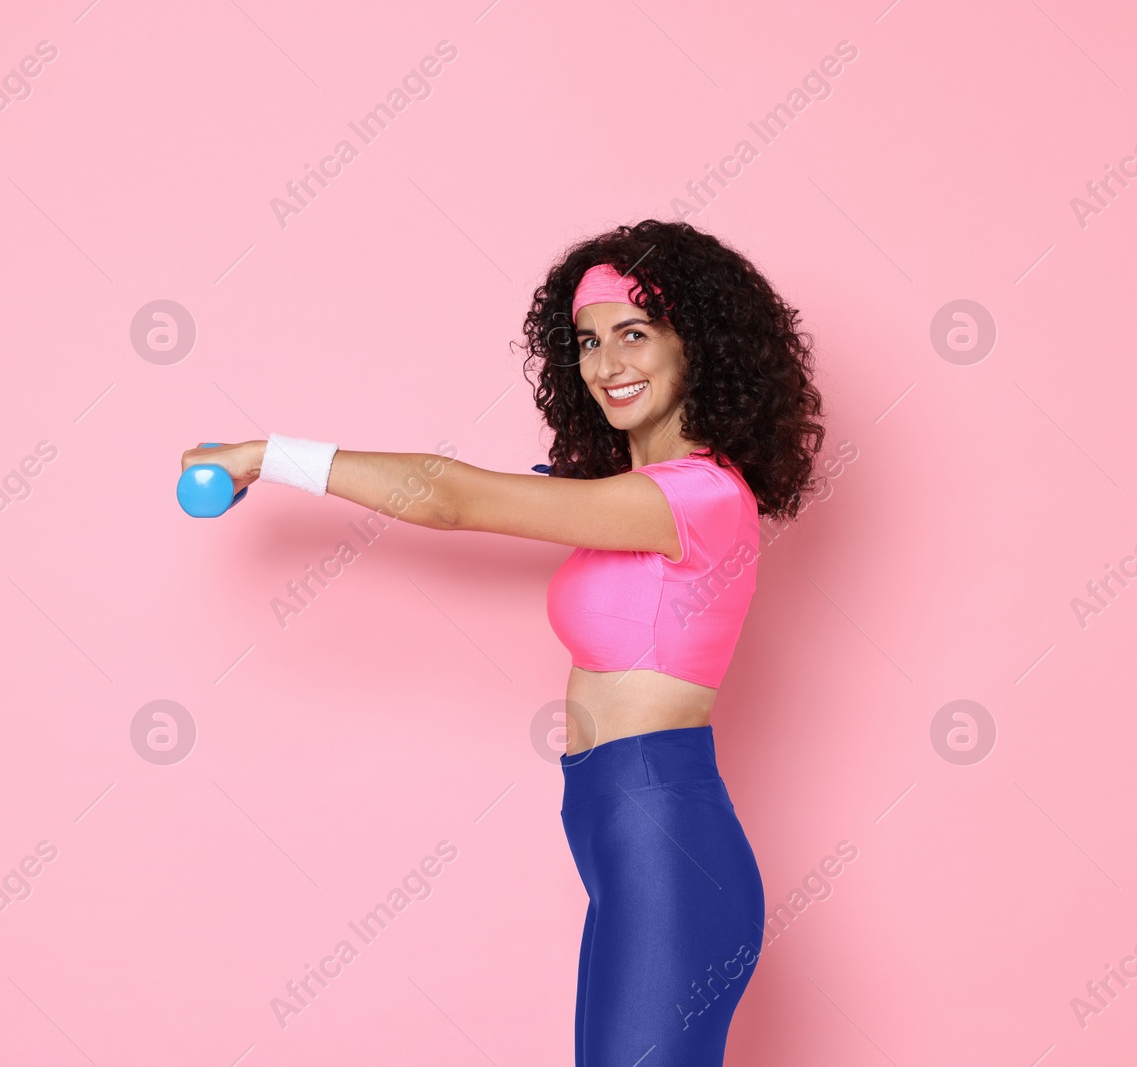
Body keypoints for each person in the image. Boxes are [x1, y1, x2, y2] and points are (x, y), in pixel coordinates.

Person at [181, 218, 825, 1066]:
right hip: (618, 833)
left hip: (666, 839)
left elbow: (450, 497)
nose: (608, 364)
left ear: (695, 345)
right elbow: (477, 490)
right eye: (589, 341)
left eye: (635, 333)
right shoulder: (623, 496)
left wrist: (266, 456)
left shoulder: (697, 496)